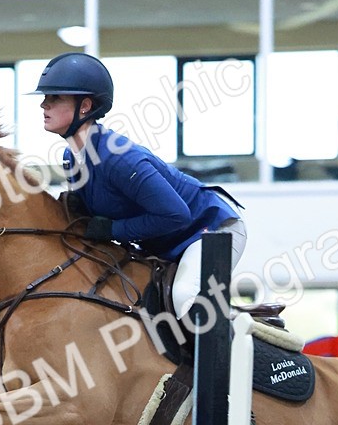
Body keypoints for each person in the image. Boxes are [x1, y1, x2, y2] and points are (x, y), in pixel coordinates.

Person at [35, 52, 247, 318]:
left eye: (55, 97)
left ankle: (237, 350)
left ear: (85, 106)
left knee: (184, 296)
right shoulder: (71, 158)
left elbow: (176, 215)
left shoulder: (119, 158)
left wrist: (113, 229)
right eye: (46, 97)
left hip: (209, 230)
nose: (44, 104)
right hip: (168, 241)